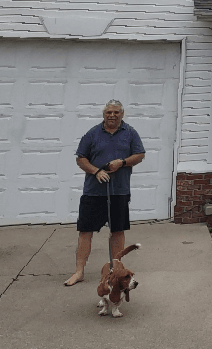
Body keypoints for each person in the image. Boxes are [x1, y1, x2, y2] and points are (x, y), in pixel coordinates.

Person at [64, 99, 145, 287]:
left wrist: (122, 162)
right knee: (85, 231)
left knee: (117, 232)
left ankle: (116, 271)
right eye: (109, 112)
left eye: (116, 112)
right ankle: (79, 272)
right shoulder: (92, 133)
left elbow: (140, 155)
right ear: (104, 114)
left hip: (119, 191)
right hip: (93, 192)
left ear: (122, 114)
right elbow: (81, 158)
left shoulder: (131, 133)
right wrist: (96, 171)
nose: (112, 115)